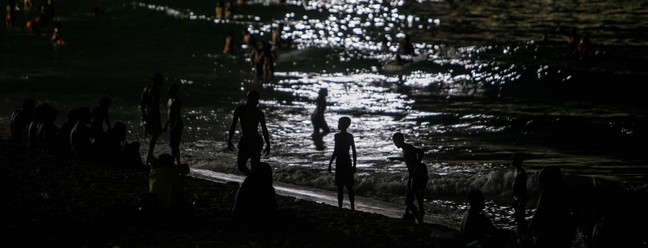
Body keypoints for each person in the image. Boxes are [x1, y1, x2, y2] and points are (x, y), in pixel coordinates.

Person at [526, 167, 577, 248]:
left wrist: (529, 231)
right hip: (564, 230)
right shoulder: (569, 191)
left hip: (548, 231)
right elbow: (576, 212)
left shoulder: (546, 192)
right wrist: (573, 229)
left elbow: (538, 213)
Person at [227, 90, 271, 176]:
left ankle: (254, 183)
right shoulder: (240, 110)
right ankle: (254, 182)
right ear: (250, 99)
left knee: (254, 168)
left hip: (255, 142)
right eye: (256, 99)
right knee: (241, 166)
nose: (257, 102)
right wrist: (229, 140)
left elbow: (264, 129)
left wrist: (268, 144)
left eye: (257, 100)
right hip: (247, 141)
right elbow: (233, 126)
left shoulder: (258, 113)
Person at [392, 132, 425, 223]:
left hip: (417, 175)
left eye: (395, 141)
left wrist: (416, 167)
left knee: (411, 198)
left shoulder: (408, 147)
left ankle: (419, 217)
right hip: (412, 175)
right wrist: (396, 159)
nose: (395, 144)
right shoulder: (404, 149)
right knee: (412, 197)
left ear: (400, 140)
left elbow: (421, 152)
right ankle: (414, 215)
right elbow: (407, 159)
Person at [148, 153, 190, 222]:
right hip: (168, 210)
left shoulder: (153, 171)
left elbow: (152, 165)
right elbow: (186, 168)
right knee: (178, 177)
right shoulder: (170, 171)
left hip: (153, 207)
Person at [328, 117, 357, 210]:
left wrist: (330, 163)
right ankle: (352, 207)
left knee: (341, 187)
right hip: (347, 161)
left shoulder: (337, 136)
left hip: (340, 162)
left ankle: (341, 207)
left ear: (344, 125)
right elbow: (354, 151)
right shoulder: (349, 136)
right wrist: (354, 165)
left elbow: (335, 151)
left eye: (339, 123)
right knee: (349, 187)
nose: (338, 124)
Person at [140, 73, 163, 163]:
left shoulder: (146, 88)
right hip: (153, 114)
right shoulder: (155, 90)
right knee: (156, 133)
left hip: (147, 112)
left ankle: (150, 154)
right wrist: (158, 118)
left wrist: (144, 114)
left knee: (152, 133)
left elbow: (142, 102)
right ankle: (150, 154)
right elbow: (155, 105)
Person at [164, 83, 184, 165]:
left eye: (171, 90)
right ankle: (174, 160)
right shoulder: (169, 100)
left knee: (175, 144)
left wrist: (174, 125)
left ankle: (177, 161)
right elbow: (170, 114)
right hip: (172, 124)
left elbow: (177, 114)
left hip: (177, 124)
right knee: (172, 144)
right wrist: (166, 124)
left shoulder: (177, 100)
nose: (169, 92)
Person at [511, 153, 528, 240]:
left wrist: (519, 201)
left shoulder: (521, 173)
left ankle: (523, 236)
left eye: (514, 159)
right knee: (519, 219)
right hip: (519, 199)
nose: (512, 161)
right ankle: (522, 236)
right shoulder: (519, 172)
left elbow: (522, 189)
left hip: (521, 199)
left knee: (520, 219)